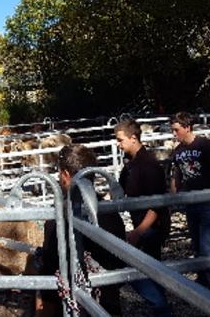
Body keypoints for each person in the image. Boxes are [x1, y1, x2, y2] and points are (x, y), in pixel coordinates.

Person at [36, 145, 126, 317]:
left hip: (70, 308)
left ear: (66, 175)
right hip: (108, 305)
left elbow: (51, 271)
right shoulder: (109, 213)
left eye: (59, 173)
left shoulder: (56, 220)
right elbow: (120, 262)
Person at [114, 120, 172, 316]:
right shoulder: (131, 165)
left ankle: (161, 308)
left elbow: (157, 204)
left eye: (120, 140)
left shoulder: (149, 165)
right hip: (144, 225)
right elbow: (118, 190)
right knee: (152, 269)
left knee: (128, 265)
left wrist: (138, 232)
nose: (118, 144)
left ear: (133, 138)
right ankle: (161, 308)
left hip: (152, 226)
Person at [170, 111, 210, 294]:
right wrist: (174, 194)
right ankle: (203, 283)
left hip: (209, 202)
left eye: (176, 130)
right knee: (197, 247)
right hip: (190, 202)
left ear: (187, 127)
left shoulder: (206, 145)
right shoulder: (177, 151)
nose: (174, 134)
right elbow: (177, 174)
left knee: (207, 248)